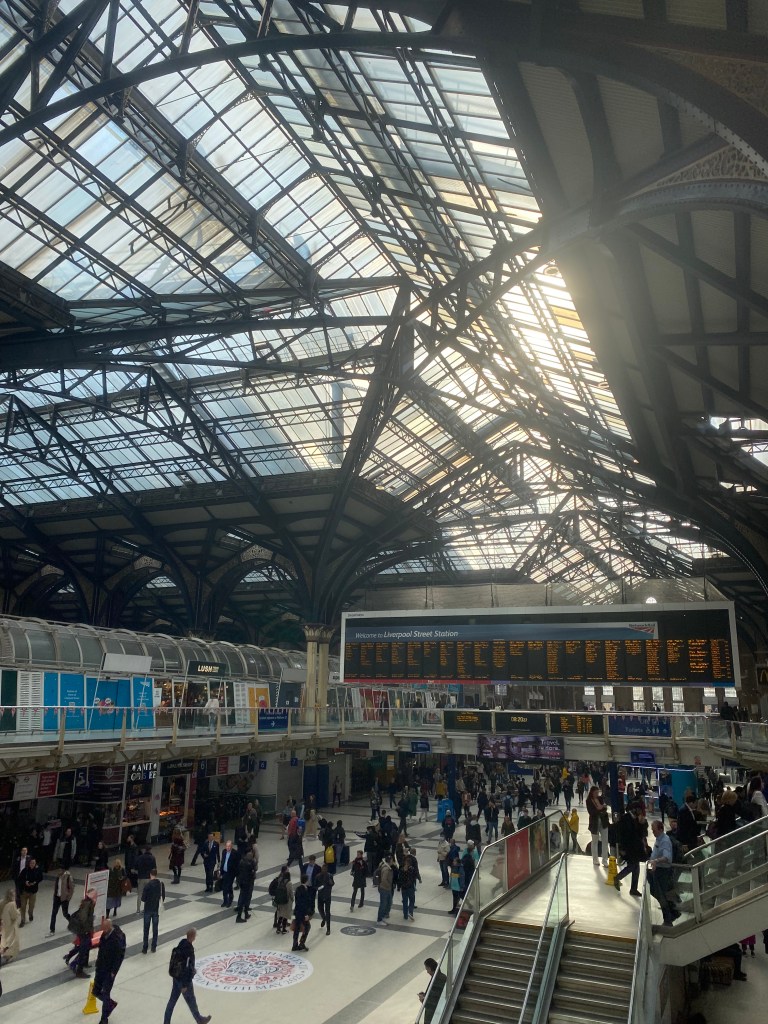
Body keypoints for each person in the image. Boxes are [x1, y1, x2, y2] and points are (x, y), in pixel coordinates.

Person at [163, 928, 211, 1024]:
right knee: (191, 1000)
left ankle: (166, 1022)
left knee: (172, 1001)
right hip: (184, 981)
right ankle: (199, 1019)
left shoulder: (181, 944)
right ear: (192, 937)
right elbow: (187, 967)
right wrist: (185, 984)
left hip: (176, 977)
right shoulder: (189, 950)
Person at [93, 917, 126, 1024]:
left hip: (109, 971)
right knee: (96, 991)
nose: (102, 930)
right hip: (101, 967)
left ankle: (104, 1018)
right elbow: (101, 949)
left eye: (104, 928)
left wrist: (113, 972)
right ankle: (110, 1004)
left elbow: (118, 958)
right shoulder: (104, 935)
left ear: (109, 927)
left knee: (106, 993)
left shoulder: (116, 940)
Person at [647, 820, 679, 926]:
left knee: (661, 895)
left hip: (662, 872)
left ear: (660, 829)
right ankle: (672, 912)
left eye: (654, 830)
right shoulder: (659, 839)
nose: (653, 832)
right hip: (658, 870)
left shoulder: (664, 841)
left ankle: (668, 918)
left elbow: (667, 857)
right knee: (657, 892)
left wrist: (656, 861)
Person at [613, 808, 645, 896]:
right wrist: (622, 848)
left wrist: (641, 824)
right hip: (629, 848)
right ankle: (617, 878)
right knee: (632, 866)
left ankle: (633, 889)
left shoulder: (634, 819)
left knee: (636, 867)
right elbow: (623, 835)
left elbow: (639, 833)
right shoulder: (626, 819)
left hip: (635, 847)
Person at [67, 891, 96, 978]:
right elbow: (83, 918)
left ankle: (71, 958)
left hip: (83, 930)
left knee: (86, 946)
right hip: (83, 931)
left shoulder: (87, 903)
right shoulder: (88, 904)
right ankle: (78, 969)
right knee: (84, 949)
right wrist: (87, 929)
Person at [141, 868, 165, 954]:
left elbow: (143, 898)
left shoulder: (147, 885)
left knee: (146, 929)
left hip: (148, 909)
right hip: (156, 909)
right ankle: (153, 947)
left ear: (150, 874)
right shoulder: (161, 884)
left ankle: (145, 947)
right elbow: (163, 896)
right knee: (155, 929)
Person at [586, 785, 610, 868]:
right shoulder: (588, 801)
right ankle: (595, 859)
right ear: (592, 793)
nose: (597, 794)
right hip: (594, 823)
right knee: (595, 841)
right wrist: (600, 809)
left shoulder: (600, 799)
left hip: (603, 822)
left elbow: (605, 808)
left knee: (605, 841)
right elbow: (591, 812)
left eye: (598, 792)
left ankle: (605, 860)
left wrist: (601, 808)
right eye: (595, 792)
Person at [419, 957, 447, 1024]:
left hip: (434, 1017)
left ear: (429, 968)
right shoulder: (439, 977)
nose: (427, 972)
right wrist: (425, 995)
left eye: (427, 969)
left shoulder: (438, 980)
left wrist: (423, 1000)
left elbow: (434, 1003)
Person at [49, 864, 74, 935]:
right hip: (57, 897)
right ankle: (52, 929)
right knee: (54, 913)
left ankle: (72, 922)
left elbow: (71, 888)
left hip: (64, 898)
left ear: (63, 870)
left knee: (65, 913)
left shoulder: (68, 877)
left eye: (60, 870)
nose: (59, 871)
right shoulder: (58, 876)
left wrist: (68, 898)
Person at [17, 856, 43, 925]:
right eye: (31, 863)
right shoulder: (25, 870)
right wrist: (25, 882)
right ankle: (23, 920)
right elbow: (19, 879)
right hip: (24, 891)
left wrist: (35, 882)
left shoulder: (38, 870)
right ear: (29, 863)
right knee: (23, 906)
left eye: (33, 863)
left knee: (31, 906)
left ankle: (30, 914)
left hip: (33, 892)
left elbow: (40, 878)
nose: (32, 864)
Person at [291, 874, 313, 951]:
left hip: (297, 911)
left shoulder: (298, 889)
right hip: (303, 913)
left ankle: (294, 944)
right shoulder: (305, 890)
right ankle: (302, 943)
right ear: (306, 880)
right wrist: (306, 914)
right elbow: (304, 903)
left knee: (297, 928)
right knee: (307, 927)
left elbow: (297, 901)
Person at [0, 887, 21, 964]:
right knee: (11, 941)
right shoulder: (12, 904)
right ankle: (8, 956)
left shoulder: (2, 902)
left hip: (2, 924)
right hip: (10, 925)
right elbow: (14, 915)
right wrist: (18, 912)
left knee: (3, 940)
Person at [235, 851, 256, 923]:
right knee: (245, 898)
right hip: (247, 883)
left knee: (243, 897)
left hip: (241, 882)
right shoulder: (249, 865)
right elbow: (253, 873)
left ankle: (245, 913)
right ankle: (239, 916)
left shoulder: (241, 861)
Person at [135, 846, 157, 913]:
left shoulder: (140, 858)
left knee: (139, 894)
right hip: (148, 878)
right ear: (150, 850)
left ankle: (138, 909)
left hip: (141, 878)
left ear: (144, 850)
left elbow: (135, 867)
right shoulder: (152, 858)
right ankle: (146, 908)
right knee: (148, 894)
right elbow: (154, 869)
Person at [315, 863, 334, 935]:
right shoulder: (318, 876)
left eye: (325, 869)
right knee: (320, 909)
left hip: (327, 896)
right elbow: (315, 885)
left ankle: (328, 928)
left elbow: (332, 884)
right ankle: (324, 918)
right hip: (320, 895)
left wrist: (330, 881)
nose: (324, 870)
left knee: (327, 912)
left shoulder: (330, 876)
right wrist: (318, 888)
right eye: (323, 869)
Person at [374, 855, 394, 926]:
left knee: (389, 902)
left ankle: (383, 916)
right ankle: (379, 919)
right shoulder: (386, 869)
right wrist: (388, 885)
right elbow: (384, 879)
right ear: (390, 861)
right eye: (392, 860)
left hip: (386, 888)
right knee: (383, 904)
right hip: (385, 889)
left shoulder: (386, 867)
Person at [219, 840, 239, 908]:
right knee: (224, 887)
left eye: (229, 846)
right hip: (224, 872)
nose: (228, 848)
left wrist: (236, 873)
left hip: (231, 873)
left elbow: (237, 864)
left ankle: (230, 899)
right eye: (227, 846)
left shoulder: (235, 853)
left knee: (228, 886)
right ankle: (225, 901)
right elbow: (223, 861)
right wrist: (220, 871)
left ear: (231, 846)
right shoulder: (224, 851)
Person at [274, 869, 293, 935]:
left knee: (280, 915)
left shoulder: (280, 881)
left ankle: (278, 928)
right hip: (286, 901)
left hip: (279, 900)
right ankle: (284, 929)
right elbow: (291, 893)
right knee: (285, 916)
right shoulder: (289, 883)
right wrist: (292, 900)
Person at [399, 854, 418, 921]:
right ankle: (410, 912)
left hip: (404, 888)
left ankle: (405, 915)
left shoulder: (401, 870)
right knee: (412, 900)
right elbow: (414, 877)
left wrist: (400, 886)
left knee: (404, 901)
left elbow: (400, 879)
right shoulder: (411, 869)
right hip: (410, 887)